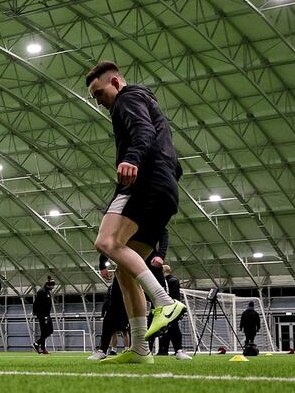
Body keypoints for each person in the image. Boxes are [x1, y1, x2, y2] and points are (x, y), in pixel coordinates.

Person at [87, 61, 185, 365]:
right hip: (165, 189)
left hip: (144, 183)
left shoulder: (128, 98)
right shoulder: (150, 104)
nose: (98, 101)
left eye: (99, 93)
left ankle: (164, 302)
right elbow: (174, 162)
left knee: (106, 242)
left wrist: (132, 159)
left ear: (115, 82)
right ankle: (141, 349)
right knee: (125, 270)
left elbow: (141, 130)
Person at [88, 257, 129, 360]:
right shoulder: (112, 288)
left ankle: (133, 348)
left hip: (137, 271)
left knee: (126, 331)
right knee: (110, 319)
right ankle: (104, 349)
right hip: (123, 271)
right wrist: (102, 265)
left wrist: (160, 255)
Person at [158, 264, 190, 359]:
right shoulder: (172, 280)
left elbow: (171, 296)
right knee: (168, 330)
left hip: (169, 309)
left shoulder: (170, 281)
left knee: (172, 329)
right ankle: (167, 350)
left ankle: (175, 350)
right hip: (172, 308)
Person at [32, 276, 55, 354]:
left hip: (46, 314)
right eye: (52, 285)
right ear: (48, 284)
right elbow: (36, 303)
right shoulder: (42, 292)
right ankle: (37, 344)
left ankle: (42, 348)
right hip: (43, 315)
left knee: (46, 331)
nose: (53, 287)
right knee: (48, 331)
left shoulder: (47, 292)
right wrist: (38, 314)